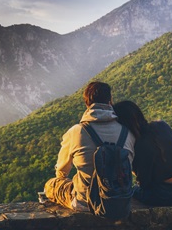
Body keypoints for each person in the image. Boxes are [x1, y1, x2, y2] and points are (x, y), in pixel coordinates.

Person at [44, 82, 135, 211]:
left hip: (85, 202)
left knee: (51, 184)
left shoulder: (76, 131)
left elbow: (62, 170)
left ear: (87, 104)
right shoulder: (127, 133)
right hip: (119, 200)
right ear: (110, 101)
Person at [113, 100, 172, 206]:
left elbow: (144, 185)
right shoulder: (161, 125)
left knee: (131, 191)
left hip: (165, 197)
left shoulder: (139, 145)